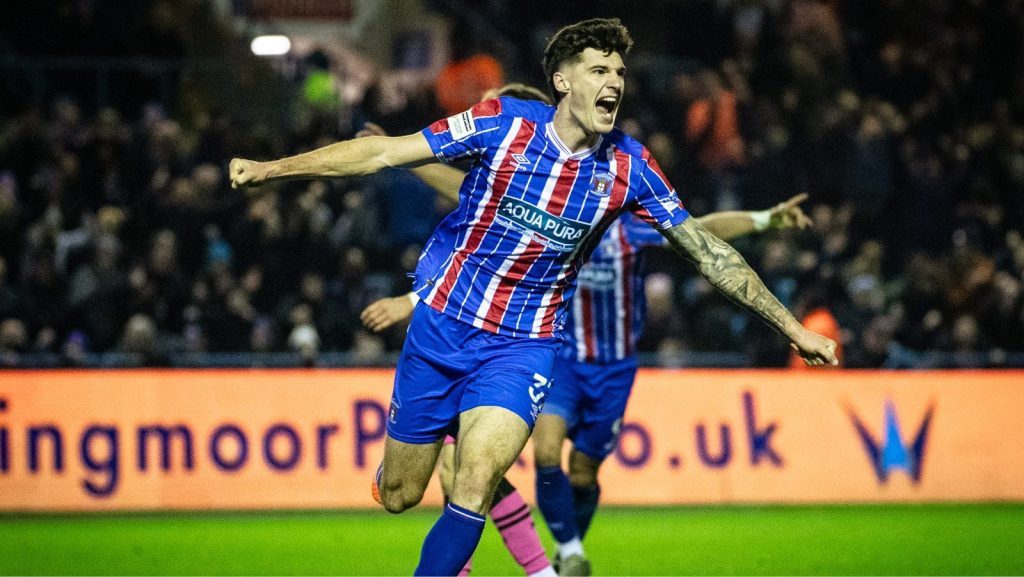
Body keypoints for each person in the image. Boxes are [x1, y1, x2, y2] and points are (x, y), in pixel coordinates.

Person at [230, 18, 837, 576]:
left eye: (620, 73)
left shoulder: (629, 166)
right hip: (443, 325)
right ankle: (398, 472)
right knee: (401, 496)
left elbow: (708, 252)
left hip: (523, 345)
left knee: (473, 481)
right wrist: (272, 168)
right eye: (600, 70)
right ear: (562, 80)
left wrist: (794, 329)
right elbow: (385, 152)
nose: (615, 84)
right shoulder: (502, 124)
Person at [362, 196, 814, 576]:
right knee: (528, 456)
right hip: (557, 358)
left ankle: (561, 550)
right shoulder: (533, 213)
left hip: (615, 368)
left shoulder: (627, 229)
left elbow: (702, 230)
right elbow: (464, 223)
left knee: (580, 471)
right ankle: (563, 556)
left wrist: (764, 219)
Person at [358, 83, 558, 577]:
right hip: (456, 338)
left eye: (493, 102)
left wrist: (402, 156)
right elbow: (455, 266)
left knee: (468, 476)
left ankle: (536, 572)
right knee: (456, 482)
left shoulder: (543, 188)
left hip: (514, 345)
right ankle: (541, 571)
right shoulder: (488, 194)